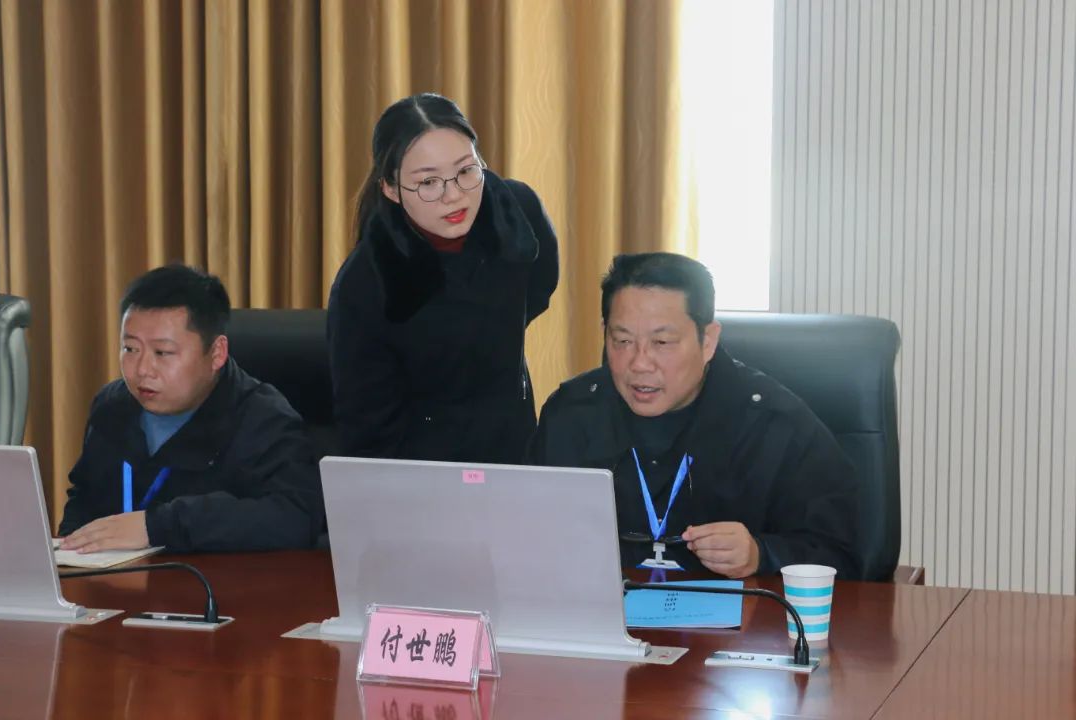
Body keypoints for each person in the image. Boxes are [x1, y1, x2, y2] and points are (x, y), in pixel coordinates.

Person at [529, 252, 861, 579]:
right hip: (600, 610)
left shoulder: (775, 425)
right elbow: (527, 536)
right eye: (623, 340)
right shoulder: (570, 416)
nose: (639, 363)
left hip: (738, 614)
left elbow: (844, 555)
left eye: (662, 342)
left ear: (708, 341)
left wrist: (760, 554)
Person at [328, 93, 558, 463]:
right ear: (390, 188)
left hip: (512, 442)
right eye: (428, 182)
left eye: (466, 171)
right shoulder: (364, 283)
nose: (453, 196)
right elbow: (367, 426)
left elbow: (539, 289)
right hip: (420, 462)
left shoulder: (518, 212)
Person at [58, 264, 325, 553]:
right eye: (130, 349)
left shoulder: (262, 419)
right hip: (109, 577)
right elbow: (84, 497)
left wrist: (157, 526)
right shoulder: (112, 407)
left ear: (217, 353)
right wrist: (66, 556)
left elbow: (295, 517)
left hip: (213, 579)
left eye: (163, 352)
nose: (143, 369)